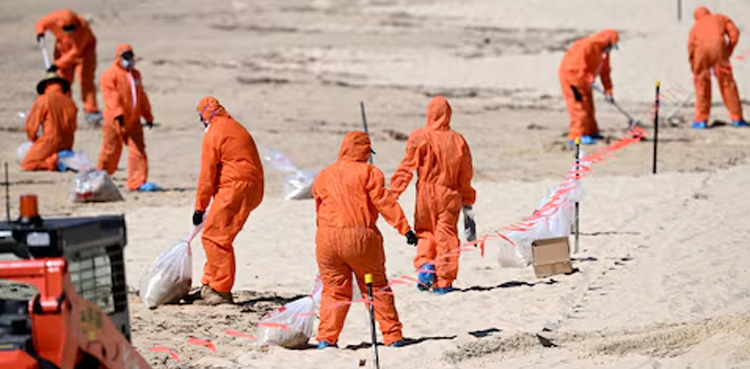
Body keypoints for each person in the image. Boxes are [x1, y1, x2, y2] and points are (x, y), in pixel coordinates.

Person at [314, 131, 417, 349]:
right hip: (361, 240)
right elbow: (385, 203)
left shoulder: (324, 174)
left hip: (327, 240)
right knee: (376, 286)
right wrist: (405, 229)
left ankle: (326, 339)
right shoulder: (370, 173)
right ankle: (392, 336)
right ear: (364, 151)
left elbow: (319, 207)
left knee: (333, 290)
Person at [389, 96, 476, 295]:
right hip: (450, 192)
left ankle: (426, 266)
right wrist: (468, 198)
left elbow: (406, 168)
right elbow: (466, 174)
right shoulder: (458, 140)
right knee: (446, 236)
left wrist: (392, 194)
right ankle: (443, 281)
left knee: (425, 231)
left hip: (426, 193)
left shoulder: (419, 136)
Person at [191, 96, 264, 306]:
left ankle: (219, 290)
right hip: (248, 187)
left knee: (216, 237)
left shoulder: (214, 133)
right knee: (215, 234)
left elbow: (207, 175)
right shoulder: (233, 126)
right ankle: (209, 284)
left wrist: (199, 207)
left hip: (236, 188)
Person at [96, 44, 160, 192]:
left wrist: (148, 116)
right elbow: (111, 96)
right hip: (115, 120)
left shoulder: (135, 75)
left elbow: (141, 96)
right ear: (118, 58)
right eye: (125, 57)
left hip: (133, 120)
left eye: (130, 57)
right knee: (110, 150)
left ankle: (137, 181)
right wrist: (118, 113)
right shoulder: (110, 75)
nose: (129, 60)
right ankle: (99, 177)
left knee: (138, 150)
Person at [35, 9, 101, 124]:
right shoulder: (54, 18)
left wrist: (57, 64)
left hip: (84, 53)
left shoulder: (83, 27)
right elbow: (40, 23)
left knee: (86, 81)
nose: (70, 33)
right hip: (63, 49)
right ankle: (65, 110)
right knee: (64, 81)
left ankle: (91, 110)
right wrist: (40, 33)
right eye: (66, 29)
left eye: (72, 29)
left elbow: (76, 51)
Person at [689, 6, 746, 129]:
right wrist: (728, 50)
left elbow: (691, 47)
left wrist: (694, 67)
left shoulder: (695, 27)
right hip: (718, 50)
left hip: (700, 53)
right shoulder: (720, 18)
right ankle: (736, 118)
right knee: (727, 84)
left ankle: (701, 120)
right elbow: (734, 34)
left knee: (701, 85)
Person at [558, 29, 620, 144]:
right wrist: (590, 80)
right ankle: (576, 136)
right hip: (572, 78)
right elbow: (578, 67)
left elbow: (605, 72)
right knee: (579, 107)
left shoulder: (603, 53)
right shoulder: (587, 46)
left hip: (585, 81)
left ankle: (591, 131)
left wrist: (608, 91)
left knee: (589, 106)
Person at [21, 72, 77, 171]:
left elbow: (31, 126)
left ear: (46, 85)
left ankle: (55, 161)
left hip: (50, 139)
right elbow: (73, 127)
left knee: (28, 163)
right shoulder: (70, 102)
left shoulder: (43, 99)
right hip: (68, 142)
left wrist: (34, 140)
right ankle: (62, 158)